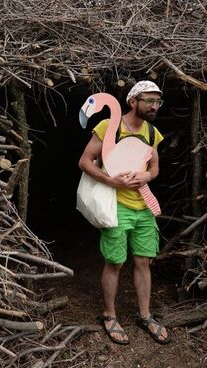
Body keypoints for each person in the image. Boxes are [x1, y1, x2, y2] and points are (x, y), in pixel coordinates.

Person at [78, 80, 170, 345]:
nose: (154, 106)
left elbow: (154, 168)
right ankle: (109, 315)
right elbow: (84, 161)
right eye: (149, 101)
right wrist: (112, 181)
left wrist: (146, 175)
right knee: (115, 261)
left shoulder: (153, 133)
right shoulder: (109, 126)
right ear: (133, 102)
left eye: (157, 102)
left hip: (144, 209)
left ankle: (145, 315)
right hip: (117, 206)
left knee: (143, 262)